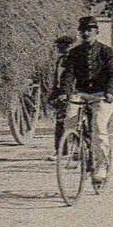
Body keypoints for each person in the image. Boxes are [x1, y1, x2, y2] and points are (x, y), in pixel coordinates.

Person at [58, 15, 113, 186]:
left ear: (96, 32)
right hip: (81, 93)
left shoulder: (106, 51)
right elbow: (68, 74)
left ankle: (101, 166)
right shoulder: (75, 53)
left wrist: (110, 92)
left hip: (102, 94)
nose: (86, 33)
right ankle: (75, 150)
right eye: (83, 30)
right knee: (69, 121)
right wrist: (64, 92)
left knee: (99, 129)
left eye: (89, 30)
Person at [45, 34, 74, 162]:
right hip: (62, 94)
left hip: (71, 95)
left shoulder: (72, 60)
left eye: (60, 46)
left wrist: (66, 93)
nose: (58, 48)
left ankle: (67, 150)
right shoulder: (61, 60)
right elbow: (57, 79)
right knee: (60, 122)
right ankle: (61, 150)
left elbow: (70, 79)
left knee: (69, 122)